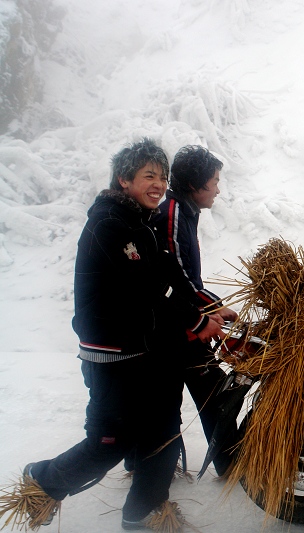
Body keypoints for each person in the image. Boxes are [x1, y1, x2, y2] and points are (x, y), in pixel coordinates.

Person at [20, 138, 224, 531]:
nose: (159, 184)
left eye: (163, 177)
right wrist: (198, 321)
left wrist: (205, 309)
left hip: (143, 350)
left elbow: (167, 277)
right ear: (124, 179)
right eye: (149, 175)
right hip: (113, 356)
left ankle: (145, 508)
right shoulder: (110, 224)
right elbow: (149, 285)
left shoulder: (139, 224)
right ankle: (43, 479)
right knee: (109, 443)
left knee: (162, 429)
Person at [153, 145, 241, 476]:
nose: (218, 188)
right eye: (215, 181)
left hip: (186, 324)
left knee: (196, 397)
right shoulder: (173, 215)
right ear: (195, 184)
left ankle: (229, 464)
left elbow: (190, 281)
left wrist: (216, 307)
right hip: (177, 329)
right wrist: (209, 313)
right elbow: (179, 281)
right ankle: (231, 466)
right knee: (209, 396)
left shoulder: (185, 212)